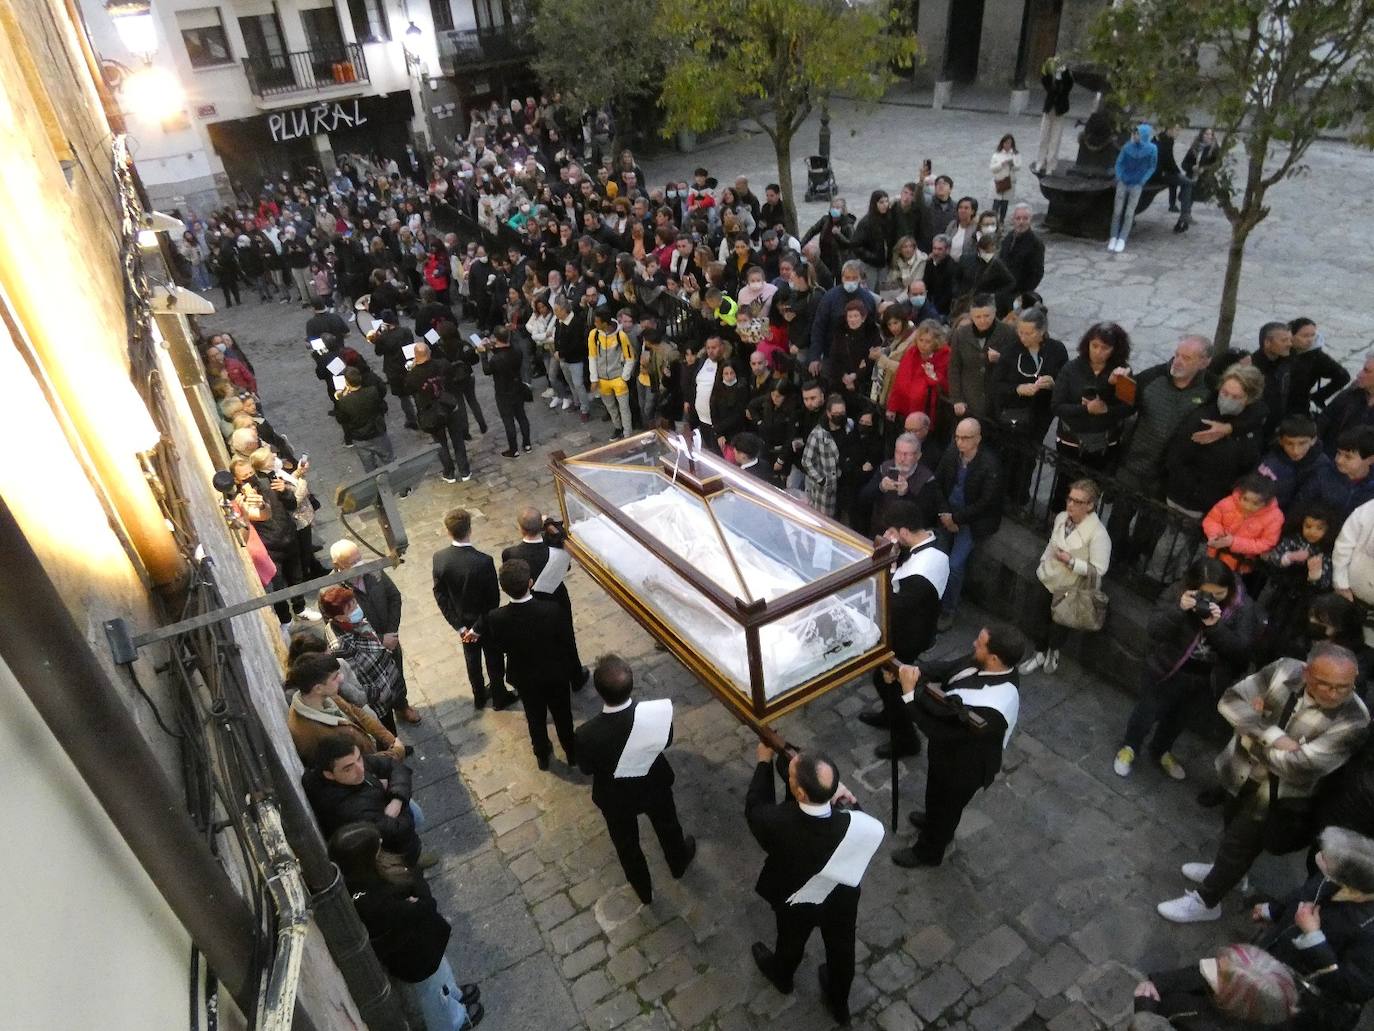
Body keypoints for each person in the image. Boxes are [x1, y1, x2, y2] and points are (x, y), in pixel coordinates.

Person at [1157, 642, 1369, 923]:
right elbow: (1230, 700)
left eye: (1345, 686)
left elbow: (1299, 767)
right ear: (1306, 673)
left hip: (1276, 796)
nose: (1336, 693)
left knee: (1239, 843)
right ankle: (1229, 872)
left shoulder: (1354, 719)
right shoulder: (1285, 669)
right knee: (1230, 825)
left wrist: (1249, 731)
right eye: (1325, 684)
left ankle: (1207, 902)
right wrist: (1274, 737)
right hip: (1239, 771)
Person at [746, 743, 882, 1026]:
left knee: (791, 939)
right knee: (842, 949)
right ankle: (839, 1000)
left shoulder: (777, 821)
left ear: (799, 793)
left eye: (792, 779)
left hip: (797, 898)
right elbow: (859, 822)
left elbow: (755, 808)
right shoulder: (854, 819)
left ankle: (782, 976)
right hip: (839, 899)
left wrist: (763, 763)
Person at [1114, 557, 1266, 780]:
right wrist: (1179, 609)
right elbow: (1155, 629)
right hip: (1166, 668)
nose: (1213, 599)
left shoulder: (1243, 608)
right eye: (1207, 594)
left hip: (1205, 678)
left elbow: (1241, 651)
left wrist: (1215, 627)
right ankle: (1130, 747)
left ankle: (1161, 750)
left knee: (1178, 720)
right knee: (1146, 712)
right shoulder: (1179, 591)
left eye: (1220, 594)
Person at [889, 625, 1025, 867]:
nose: (974, 643)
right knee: (935, 798)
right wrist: (911, 671)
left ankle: (929, 851)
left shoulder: (991, 709)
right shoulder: (984, 662)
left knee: (946, 809)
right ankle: (933, 821)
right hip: (948, 756)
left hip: (963, 768)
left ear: (994, 658)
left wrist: (909, 694)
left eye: (980, 643)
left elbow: (937, 728)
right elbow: (949, 669)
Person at [327, 822, 485, 1030]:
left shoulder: (361, 878)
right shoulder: (374, 898)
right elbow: (424, 903)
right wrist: (416, 896)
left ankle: (454, 995)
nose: (381, 843)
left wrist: (414, 896)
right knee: (434, 994)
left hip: (420, 944)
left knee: (441, 976)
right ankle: (453, 1023)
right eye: (377, 844)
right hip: (415, 956)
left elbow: (414, 886)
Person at [574, 655, 696, 904]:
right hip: (654, 785)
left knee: (626, 845)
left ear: (598, 692)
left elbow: (587, 769)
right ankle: (678, 862)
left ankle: (644, 891)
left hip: (615, 797)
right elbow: (668, 740)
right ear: (631, 684)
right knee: (668, 825)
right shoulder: (654, 714)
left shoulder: (586, 734)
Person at [466, 560, 578, 771]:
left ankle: (542, 755)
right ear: (530, 582)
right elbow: (566, 644)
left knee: (534, 718)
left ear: (503, 587)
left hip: (525, 677)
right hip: (555, 675)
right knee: (563, 715)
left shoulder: (497, 618)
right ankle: (571, 752)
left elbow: (495, 640)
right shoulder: (552, 610)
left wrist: (476, 630)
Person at [858, 505, 950, 757]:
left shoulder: (925, 568)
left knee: (890, 684)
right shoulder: (922, 545)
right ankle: (890, 716)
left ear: (906, 532)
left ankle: (906, 739)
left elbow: (899, 607)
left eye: (892, 530)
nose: (888, 533)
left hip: (909, 636)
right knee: (883, 679)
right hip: (907, 628)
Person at [1021, 479, 1111, 675]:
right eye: (1070, 499)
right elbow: (1051, 544)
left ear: (1090, 505)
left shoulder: (1098, 535)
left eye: (1078, 502)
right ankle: (1039, 652)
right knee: (1038, 618)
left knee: (1059, 626)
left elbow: (1100, 568)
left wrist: (1071, 562)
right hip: (1047, 577)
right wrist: (1043, 563)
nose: (1071, 504)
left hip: (1069, 587)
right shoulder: (1062, 518)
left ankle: (1053, 651)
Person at [432, 508, 514, 710]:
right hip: (484, 624)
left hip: (463, 624)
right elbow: (492, 600)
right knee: (494, 660)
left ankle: (479, 696)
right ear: (470, 529)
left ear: (448, 531)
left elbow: (441, 596)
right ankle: (498, 696)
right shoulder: (483, 561)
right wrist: (478, 628)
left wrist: (461, 628)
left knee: (472, 661)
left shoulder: (440, 558)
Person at [303, 735, 427, 867]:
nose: (360, 769)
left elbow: (393, 765)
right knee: (415, 817)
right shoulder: (349, 809)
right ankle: (415, 862)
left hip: (389, 820)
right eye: (348, 768)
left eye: (359, 758)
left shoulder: (349, 767)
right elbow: (399, 829)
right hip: (394, 853)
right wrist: (392, 794)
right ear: (329, 774)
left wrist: (396, 799)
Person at [331, 539, 419, 725]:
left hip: (390, 639)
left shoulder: (374, 572)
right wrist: (380, 640)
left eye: (359, 559)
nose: (359, 565)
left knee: (397, 674)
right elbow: (341, 631)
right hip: (367, 655)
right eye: (352, 563)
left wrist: (391, 632)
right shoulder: (332, 593)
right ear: (338, 565)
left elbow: (394, 597)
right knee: (377, 689)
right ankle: (385, 721)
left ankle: (402, 705)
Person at [1165, 362, 1267, 520]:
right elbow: (1177, 457)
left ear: (1249, 399)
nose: (1228, 400)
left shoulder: (1250, 427)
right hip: (1188, 498)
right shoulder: (1202, 417)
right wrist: (1197, 492)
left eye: (1236, 397)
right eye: (1225, 393)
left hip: (1218, 505)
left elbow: (1248, 464)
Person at [990, 305, 1068, 506]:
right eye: (1021, 332)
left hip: (1039, 413)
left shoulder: (1056, 350)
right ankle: (1003, 496)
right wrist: (1018, 388)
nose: (1023, 337)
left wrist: (1053, 382)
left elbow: (1065, 381)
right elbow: (997, 384)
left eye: (1029, 333)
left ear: (1042, 331)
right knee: (1008, 454)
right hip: (1013, 412)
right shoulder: (1011, 350)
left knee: (1028, 457)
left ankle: (1019, 498)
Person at [502, 507, 587, 690]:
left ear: (520, 528)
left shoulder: (510, 553)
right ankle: (576, 676)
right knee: (566, 638)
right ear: (540, 527)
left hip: (530, 601)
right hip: (556, 598)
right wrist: (549, 522)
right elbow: (566, 563)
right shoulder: (555, 550)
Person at [935, 417, 1003, 629]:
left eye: (966, 438)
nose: (960, 443)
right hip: (949, 513)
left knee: (955, 565)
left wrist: (957, 519)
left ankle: (948, 610)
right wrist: (946, 513)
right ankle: (932, 599)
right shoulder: (952, 454)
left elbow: (986, 502)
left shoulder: (989, 464)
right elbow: (937, 483)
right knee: (937, 556)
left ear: (978, 439)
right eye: (957, 437)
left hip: (972, 520)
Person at [1051, 321, 1133, 494]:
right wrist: (1085, 410)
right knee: (1064, 484)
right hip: (1071, 441)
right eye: (1094, 346)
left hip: (1104, 442)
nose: (1098, 352)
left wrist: (1107, 409)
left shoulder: (1121, 372)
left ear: (1115, 349)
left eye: (1105, 348)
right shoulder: (1072, 368)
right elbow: (1057, 406)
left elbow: (1128, 408)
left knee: (1093, 487)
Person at [285, 652, 405, 767]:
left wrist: (389, 739)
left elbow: (357, 712)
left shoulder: (322, 696)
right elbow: (355, 766)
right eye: (335, 677)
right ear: (318, 688)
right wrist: (396, 752)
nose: (341, 678)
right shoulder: (318, 734)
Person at [320, 585, 404, 733]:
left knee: (389, 721)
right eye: (351, 608)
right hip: (376, 698)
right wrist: (378, 693)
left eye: (355, 604)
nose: (357, 609)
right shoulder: (341, 647)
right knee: (385, 730)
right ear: (339, 617)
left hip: (385, 683)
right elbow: (352, 681)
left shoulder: (352, 622)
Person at [402, 341, 470, 483]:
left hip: (430, 411)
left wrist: (412, 369)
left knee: (440, 443)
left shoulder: (413, 375)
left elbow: (408, 389)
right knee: (457, 440)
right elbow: (452, 376)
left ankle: (449, 472)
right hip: (449, 405)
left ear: (415, 356)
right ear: (429, 353)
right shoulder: (443, 364)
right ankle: (464, 471)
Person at [1202, 473, 1285, 582]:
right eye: (1245, 499)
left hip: (1240, 564)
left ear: (1266, 502)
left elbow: (1266, 543)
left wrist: (1234, 542)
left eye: (1255, 503)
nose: (1248, 506)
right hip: (1214, 554)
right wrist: (1215, 534)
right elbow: (1212, 519)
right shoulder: (1229, 502)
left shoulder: (1274, 518)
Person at [948, 294, 1016, 421]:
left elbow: (1016, 364)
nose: (982, 321)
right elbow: (954, 368)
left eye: (987, 316)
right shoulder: (961, 334)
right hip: (970, 400)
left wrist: (1000, 359)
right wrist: (957, 399)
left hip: (997, 400)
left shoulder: (1008, 333)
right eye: (977, 317)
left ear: (994, 312)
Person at [1296, 427, 1374, 529]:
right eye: (1339, 453)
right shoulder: (1323, 474)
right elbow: (1299, 506)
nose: (1339, 460)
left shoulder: (1370, 490)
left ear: (1370, 459)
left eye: (1348, 457)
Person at [478, 326, 531, 458]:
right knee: (522, 417)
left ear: (496, 339)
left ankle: (514, 449)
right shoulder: (517, 350)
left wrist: (483, 354)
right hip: (517, 387)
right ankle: (527, 444)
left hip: (503, 392)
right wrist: (494, 347)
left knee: (508, 421)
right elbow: (506, 348)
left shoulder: (496, 359)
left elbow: (487, 370)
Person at [1108, 123, 1158, 253]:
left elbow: (1152, 166)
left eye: (1137, 134)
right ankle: (1113, 237)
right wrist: (1119, 176)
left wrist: (1143, 180)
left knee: (1129, 213)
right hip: (1124, 181)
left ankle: (1122, 238)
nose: (1135, 136)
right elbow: (1119, 162)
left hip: (1137, 184)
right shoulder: (1127, 147)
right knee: (1117, 211)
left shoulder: (1152, 149)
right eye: (1134, 133)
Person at [334, 367, 394, 472]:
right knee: (389, 460)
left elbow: (341, 419)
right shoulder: (372, 391)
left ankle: (378, 486)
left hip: (360, 438)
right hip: (377, 432)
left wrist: (342, 398)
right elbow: (383, 407)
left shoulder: (344, 401)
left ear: (347, 383)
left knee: (369, 467)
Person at [587, 307, 635, 439]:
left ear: (605, 323)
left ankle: (627, 434)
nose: (595, 324)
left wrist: (624, 377)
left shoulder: (621, 336)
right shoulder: (594, 335)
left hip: (617, 378)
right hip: (603, 379)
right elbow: (592, 356)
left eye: (597, 322)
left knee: (624, 408)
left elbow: (630, 357)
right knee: (611, 407)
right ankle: (618, 428)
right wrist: (594, 379)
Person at [1288, 317, 1349, 416]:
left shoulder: (1317, 357)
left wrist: (1318, 397)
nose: (1309, 340)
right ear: (1292, 335)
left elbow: (1343, 377)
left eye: (1312, 335)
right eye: (1304, 336)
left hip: (1297, 408)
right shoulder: (1282, 348)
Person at [1333, 498, 1374, 645]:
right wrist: (1341, 583)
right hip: (1348, 596)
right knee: (1335, 645)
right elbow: (1343, 545)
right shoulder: (1369, 510)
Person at [800, 393, 847, 518]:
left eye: (842, 412)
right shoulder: (818, 434)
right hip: (825, 490)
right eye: (836, 413)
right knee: (824, 520)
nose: (839, 416)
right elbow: (806, 461)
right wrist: (821, 480)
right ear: (828, 413)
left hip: (844, 485)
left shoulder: (848, 428)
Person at [1319, 355, 1374, 455]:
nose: (1359, 375)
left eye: (1366, 371)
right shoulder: (1353, 392)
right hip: (1332, 454)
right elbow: (1326, 417)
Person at [996, 203, 1044, 312]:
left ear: (1030, 220)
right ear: (1013, 219)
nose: (1021, 222)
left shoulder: (1035, 243)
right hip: (1002, 290)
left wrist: (1023, 293)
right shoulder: (1009, 237)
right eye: (1018, 218)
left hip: (1018, 293)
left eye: (1025, 218)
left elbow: (1037, 273)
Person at [1252, 320, 1295, 438]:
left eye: (1290, 340)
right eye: (1284, 340)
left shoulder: (1288, 362)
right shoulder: (1251, 369)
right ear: (1267, 342)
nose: (1289, 344)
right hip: (1257, 431)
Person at [1173, 127, 1220, 233]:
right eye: (1206, 134)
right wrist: (1192, 167)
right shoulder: (1195, 147)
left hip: (1203, 179)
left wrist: (1205, 169)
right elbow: (1184, 164)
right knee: (1187, 199)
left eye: (1210, 134)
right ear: (1202, 135)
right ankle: (1183, 221)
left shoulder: (1214, 149)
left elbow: (1217, 165)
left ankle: (1182, 221)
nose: (1208, 136)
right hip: (1191, 177)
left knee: (1191, 199)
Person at [1035, 58, 1074, 174]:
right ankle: (1040, 162)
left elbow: (1068, 86)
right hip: (1049, 109)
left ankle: (1051, 165)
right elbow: (1045, 82)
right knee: (1043, 137)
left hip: (1060, 111)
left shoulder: (1066, 78)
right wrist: (1048, 68)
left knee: (1055, 139)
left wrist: (1064, 72)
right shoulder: (1050, 77)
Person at [851, 190, 895, 290]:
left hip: (884, 264)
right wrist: (870, 257)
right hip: (870, 264)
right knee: (870, 290)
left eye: (886, 201)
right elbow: (856, 245)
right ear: (874, 204)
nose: (884, 205)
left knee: (883, 290)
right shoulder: (866, 222)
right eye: (881, 202)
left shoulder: (889, 219)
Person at [988, 134, 1021, 225]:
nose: (1007, 145)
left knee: (1005, 203)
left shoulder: (1015, 154)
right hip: (998, 181)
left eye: (1009, 143)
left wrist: (1012, 165)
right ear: (1002, 143)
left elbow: (1018, 167)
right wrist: (1001, 164)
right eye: (1006, 143)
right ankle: (992, 222)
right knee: (996, 203)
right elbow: (992, 168)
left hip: (1009, 181)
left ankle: (1001, 221)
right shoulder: (996, 155)